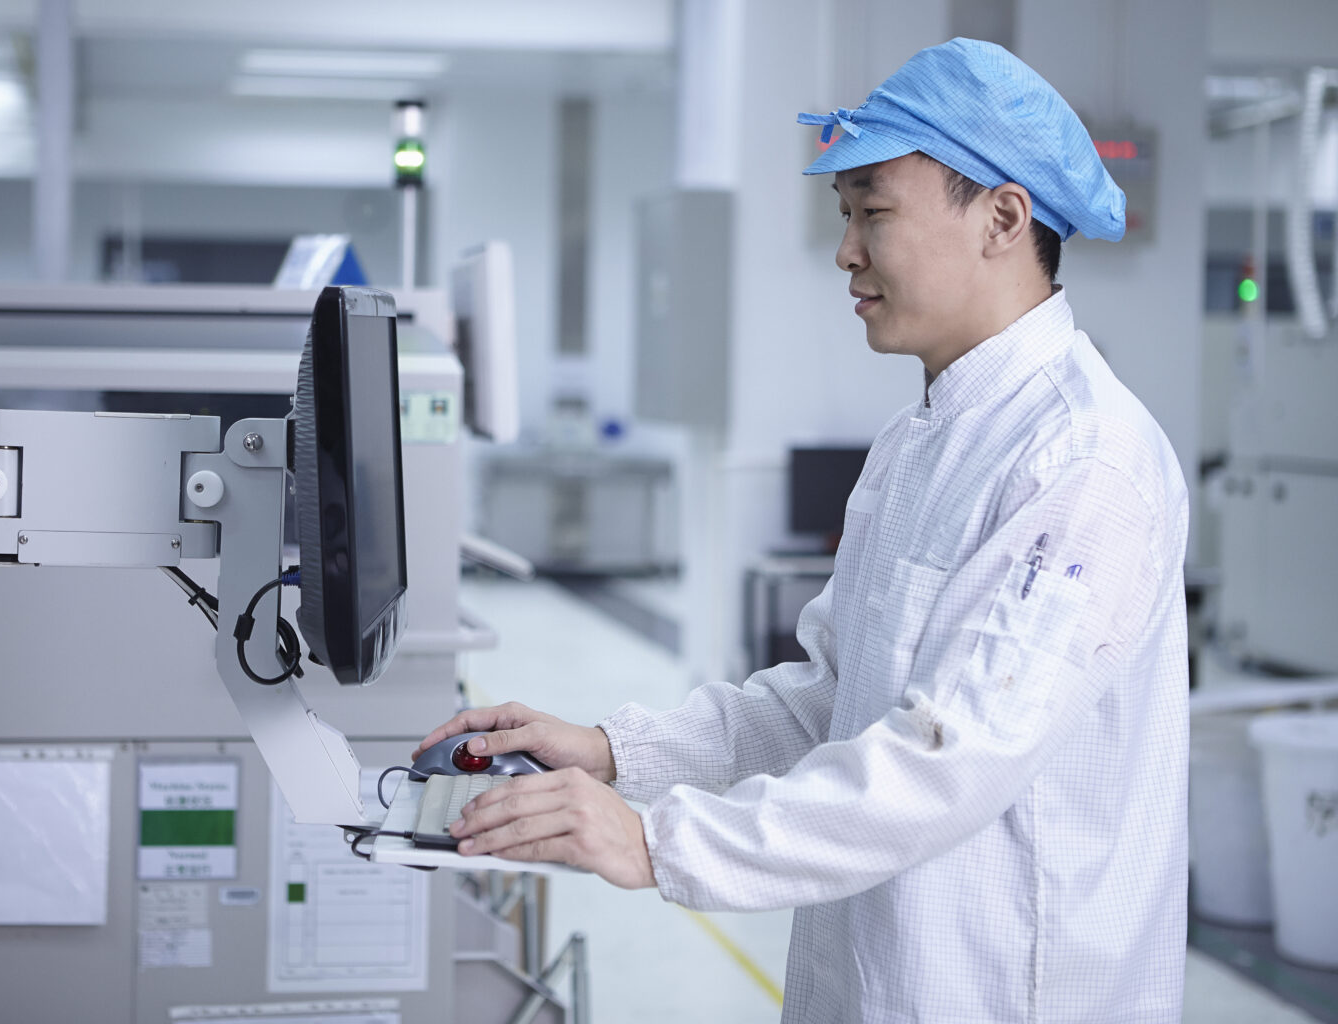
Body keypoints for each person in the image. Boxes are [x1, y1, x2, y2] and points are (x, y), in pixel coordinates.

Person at [417, 37, 1189, 1023]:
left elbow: (945, 758)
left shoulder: (1083, 461)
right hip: (873, 983)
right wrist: (612, 749)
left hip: (1012, 994)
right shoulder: (918, 442)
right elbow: (828, 702)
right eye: (844, 216)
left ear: (1004, 217)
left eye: (874, 212)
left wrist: (655, 842)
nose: (846, 252)